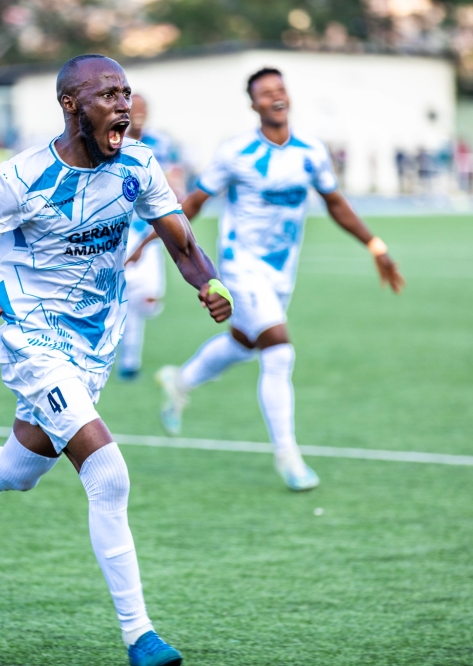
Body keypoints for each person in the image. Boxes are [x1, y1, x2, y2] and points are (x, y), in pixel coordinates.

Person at [0, 55, 233, 666]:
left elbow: (184, 245)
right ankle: (140, 637)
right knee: (108, 474)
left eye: (127, 92)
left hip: (95, 339)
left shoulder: (139, 164)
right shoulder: (19, 180)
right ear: (71, 105)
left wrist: (210, 285)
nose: (123, 104)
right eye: (107, 94)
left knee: (18, 470)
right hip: (31, 337)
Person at [155, 67, 404, 491]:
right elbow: (193, 203)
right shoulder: (236, 153)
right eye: (265, 92)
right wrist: (149, 239)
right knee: (279, 350)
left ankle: (179, 381)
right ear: (254, 104)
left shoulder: (311, 152)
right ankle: (288, 456)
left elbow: (336, 203)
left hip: (279, 271)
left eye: (279, 89)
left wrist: (375, 246)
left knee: (244, 343)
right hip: (239, 265)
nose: (275, 96)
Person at [119, 94, 184, 380]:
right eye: (136, 108)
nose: (140, 113)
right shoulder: (111, 144)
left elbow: (174, 185)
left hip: (150, 229)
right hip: (119, 232)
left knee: (148, 302)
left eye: (144, 108)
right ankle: (128, 362)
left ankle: (125, 354)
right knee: (123, 299)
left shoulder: (161, 145)